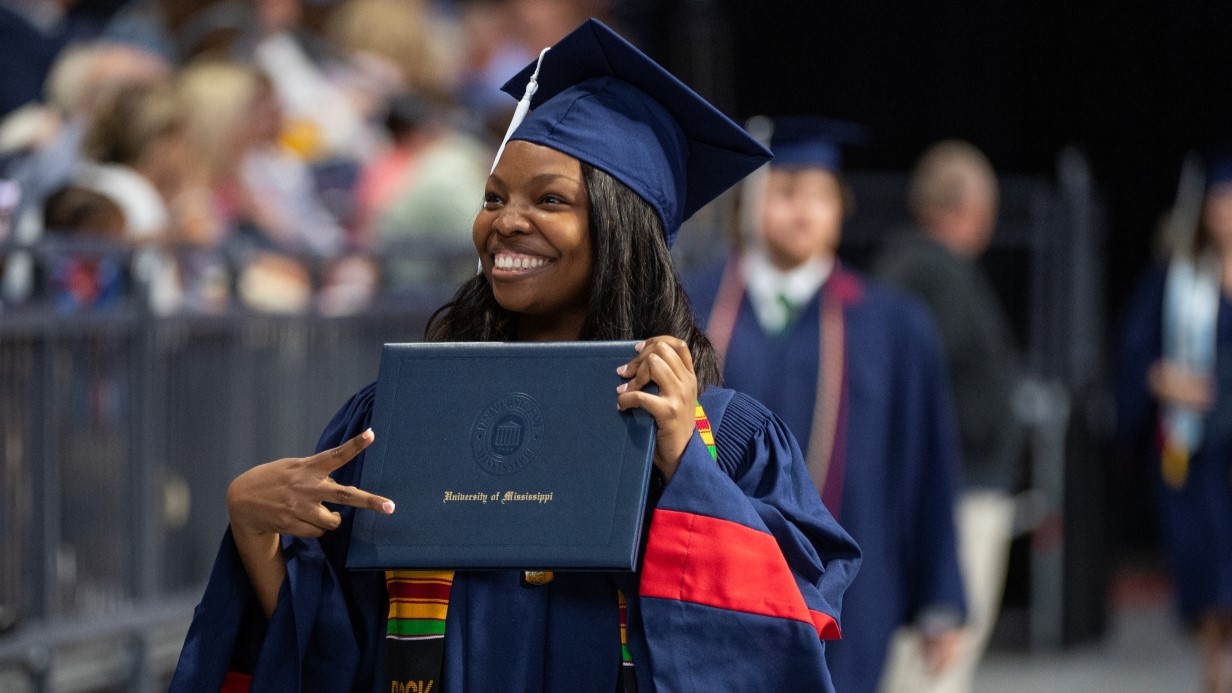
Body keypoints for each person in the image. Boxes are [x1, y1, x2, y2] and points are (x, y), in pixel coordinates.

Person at [170, 19, 860, 692]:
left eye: (549, 199)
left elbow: (782, 635)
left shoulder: (722, 436)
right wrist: (255, 526)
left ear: (621, 228)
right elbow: (331, 646)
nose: (505, 220)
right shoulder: (406, 416)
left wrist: (688, 468)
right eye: (493, 197)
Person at [686, 116, 965, 693]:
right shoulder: (693, 306)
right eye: (787, 191)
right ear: (752, 202)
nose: (804, 210)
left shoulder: (891, 325)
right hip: (710, 581)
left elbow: (927, 467)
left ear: (840, 208)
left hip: (851, 598)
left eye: (821, 194)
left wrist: (941, 596)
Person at [874, 140, 1024, 693]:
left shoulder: (902, 268)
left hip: (946, 487)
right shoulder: (934, 277)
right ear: (975, 211)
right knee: (936, 662)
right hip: (957, 494)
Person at [1117, 155, 1232, 692]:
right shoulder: (1177, 277)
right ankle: (1215, 665)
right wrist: (1162, 378)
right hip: (1198, 450)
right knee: (1211, 563)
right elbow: (1138, 354)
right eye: (1219, 200)